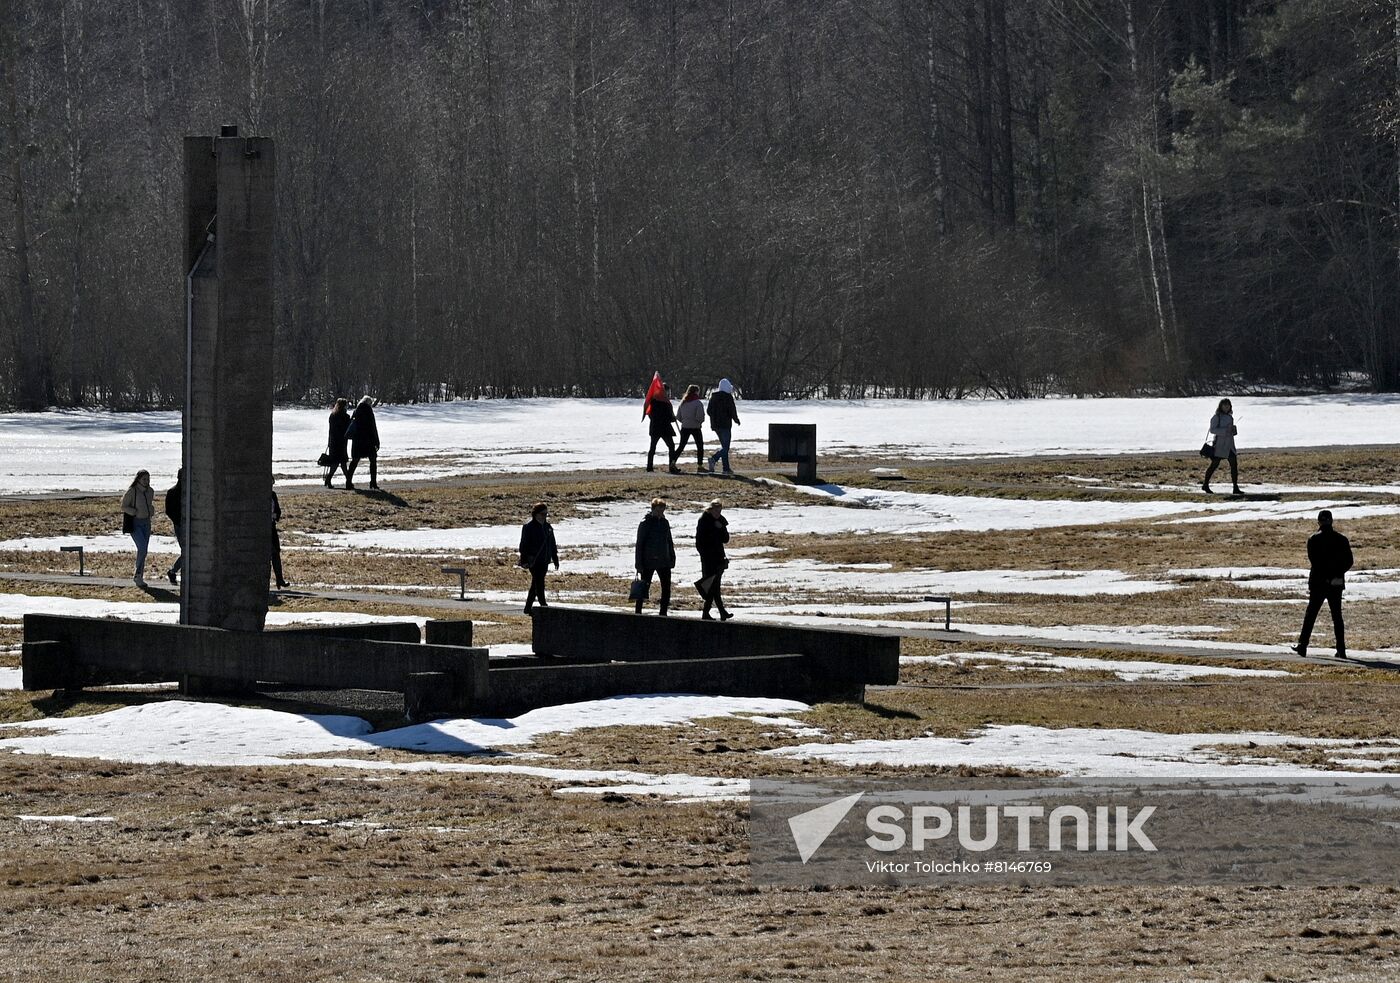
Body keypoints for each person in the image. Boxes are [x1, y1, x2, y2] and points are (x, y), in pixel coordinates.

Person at [1292, 510, 1353, 659]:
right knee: (1337, 617)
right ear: (1332, 521)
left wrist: (1325, 577)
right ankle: (1341, 649)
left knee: (1311, 615)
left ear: (1318, 522)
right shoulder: (1342, 539)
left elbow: (1315, 562)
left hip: (1318, 583)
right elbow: (1349, 561)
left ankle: (1303, 645)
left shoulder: (1313, 539)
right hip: (1336, 583)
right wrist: (1337, 575)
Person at [634, 497, 676, 615]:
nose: (660, 513)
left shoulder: (664, 522)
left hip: (664, 560)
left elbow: (669, 541)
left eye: (662, 510)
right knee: (643, 587)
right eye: (658, 510)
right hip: (648, 561)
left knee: (666, 587)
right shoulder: (645, 523)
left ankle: (663, 612)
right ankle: (638, 612)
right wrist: (638, 563)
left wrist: (672, 557)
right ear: (652, 509)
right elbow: (640, 544)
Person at [695, 498, 733, 621]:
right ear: (710, 509)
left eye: (720, 511)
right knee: (712, 586)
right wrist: (705, 556)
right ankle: (709, 612)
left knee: (715, 586)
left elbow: (726, 539)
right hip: (708, 558)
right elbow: (699, 542)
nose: (718, 513)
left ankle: (718, 612)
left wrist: (721, 527)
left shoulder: (720, 521)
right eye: (716, 511)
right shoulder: (704, 520)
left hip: (719, 557)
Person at [519, 502, 559, 614]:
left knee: (535, 584)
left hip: (545, 560)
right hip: (534, 560)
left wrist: (555, 558)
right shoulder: (528, 527)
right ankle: (543, 604)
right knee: (539, 582)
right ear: (535, 514)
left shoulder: (548, 527)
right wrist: (524, 560)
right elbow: (523, 545)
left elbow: (552, 543)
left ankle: (527, 608)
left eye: (546, 514)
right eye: (542, 514)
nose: (545, 516)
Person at [120, 470, 155, 588]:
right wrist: (133, 511)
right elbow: (123, 506)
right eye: (144, 479)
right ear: (138, 479)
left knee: (143, 551)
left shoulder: (150, 491)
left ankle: (139, 575)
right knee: (142, 548)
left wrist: (151, 510)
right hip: (135, 523)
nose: (146, 481)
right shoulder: (132, 491)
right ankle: (138, 575)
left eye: (148, 479)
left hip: (147, 523)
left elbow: (149, 504)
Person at [1202, 398, 1241, 495]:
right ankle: (1205, 484)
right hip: (1219, 445)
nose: (1226, 407)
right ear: (1221, 406)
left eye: (1228, 405)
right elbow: (1212, 430)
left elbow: (1231, 433)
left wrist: (1233, 430)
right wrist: (1225, 430)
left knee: (1234, 465)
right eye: (1225, 405)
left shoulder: (1230, 417)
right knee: (1214, 465)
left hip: (1230, 445)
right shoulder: (1216, 417)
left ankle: (1235, 487)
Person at [706, 378, 741, 475]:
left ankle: (726, 468)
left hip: (716, 425)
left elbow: (709, 411)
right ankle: (714, 458)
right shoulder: (728, 398)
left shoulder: (713, 397)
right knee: (725, 447)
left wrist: (715, 417)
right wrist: (736, 419)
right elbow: (732, 411)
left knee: (724, 447)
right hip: (725, 425)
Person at [346, 395, 380, 490]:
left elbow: (351, 424)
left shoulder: (356, 411)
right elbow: (373, 427)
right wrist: (376, 442)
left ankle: (348, 482)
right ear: (369, 403)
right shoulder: (369, 411)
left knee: (354, 462)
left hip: (357, 440)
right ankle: (373, 482)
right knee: (373, 461)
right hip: (368, 440)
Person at [646, 385, 681, 474]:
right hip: (665, 428)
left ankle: (649, 467)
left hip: (655, 427)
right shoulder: (666, 403)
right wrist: (673, 418)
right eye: (668, 392)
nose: (669, 394)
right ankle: (671, 467)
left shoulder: (653, 402)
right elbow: (669, 417)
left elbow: (650, 415)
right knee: (671, 446)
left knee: (652, 447)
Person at [676, 384, 707, 472]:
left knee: (681, 446)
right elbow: (700, 417)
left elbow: (678, 416)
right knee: (700, 446)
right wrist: (699, 421)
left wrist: (685, 421)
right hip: (695, 427)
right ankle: (700, 466)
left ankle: (673, 462)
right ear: (696, 392)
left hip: (685, 427)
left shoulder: (683, 402)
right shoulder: (698, 403)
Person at [326, 397, 352, 489]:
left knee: (335, 462)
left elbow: (331, 430)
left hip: (333, 441)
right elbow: (347, 428)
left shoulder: (332, 415)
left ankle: (329, 479)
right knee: (343, 463)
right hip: (342, 442)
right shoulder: (346, 417)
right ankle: (348, 482)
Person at [164, 468, 185, 586]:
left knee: (187, 552)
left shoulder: (188, 491)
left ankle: (173, 571)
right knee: (186, 552)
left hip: (185, 524)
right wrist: (178, 521)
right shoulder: (172, 492)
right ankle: (173, 571)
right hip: (180, 525)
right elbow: (169, 511)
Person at [270, 487, 289, 589]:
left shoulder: (272, 495)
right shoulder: (258, 495)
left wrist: (275, 515)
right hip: (262, 528)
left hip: (271, 526)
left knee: (276, 552)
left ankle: (279, 579)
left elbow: (278, 511)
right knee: (270, 553)